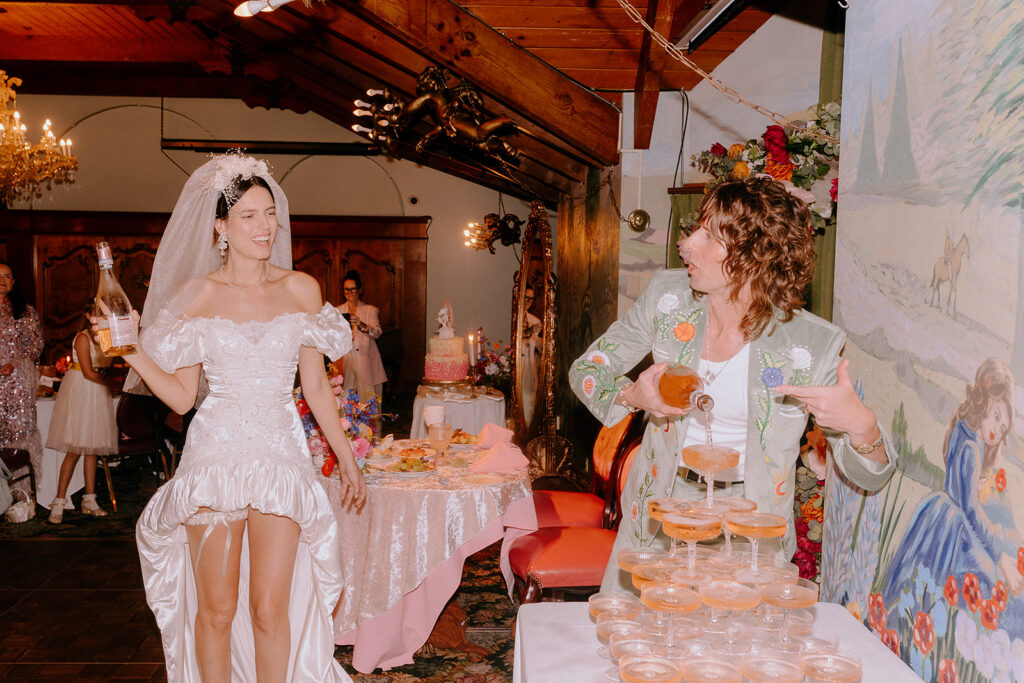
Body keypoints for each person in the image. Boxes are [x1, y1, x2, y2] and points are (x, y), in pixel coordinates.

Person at [569, 176, 898, 593]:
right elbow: (587, 369)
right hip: (659, 515)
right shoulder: (667, 299)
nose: (686, 244)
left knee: (729, 651)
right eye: (694, 230)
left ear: (753, 254)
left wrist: (862, 427)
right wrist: (631, 394)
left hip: (749, 526)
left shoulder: (809, 345)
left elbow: (871, 475)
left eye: (707, 235)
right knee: (645, 645)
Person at [119, 154, 365, 682]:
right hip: (214, 455)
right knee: (216, 610)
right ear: (221, 227)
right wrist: (131, 353)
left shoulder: (301, 289)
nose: (264, 226)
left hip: (278, 454)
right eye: (248, 216)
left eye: (269, 212)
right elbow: (183, 399)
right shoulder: (198, 296)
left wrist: (348, 460)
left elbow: (316, 385)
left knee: (269, 609)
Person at [881, 358, 1023, 631]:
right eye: (996, 417)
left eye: (1003, 428)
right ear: (984, 401)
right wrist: (999, 555)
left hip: (944, 513)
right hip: (955, 526)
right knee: (992, 577)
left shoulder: (965, 432)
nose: (996, 430)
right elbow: (970, 510)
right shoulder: (972, 447)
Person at [45, 314, 117, 523]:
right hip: (83, 389)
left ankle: (90, 499)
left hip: (97, 391)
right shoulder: (83, 337)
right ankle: (59, 500)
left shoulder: (104, 337)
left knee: (92, 447)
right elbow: (88, 372)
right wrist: (113, 383)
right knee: (75, 447)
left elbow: (105, 365)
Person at [0, 261, 44, 491]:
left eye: (7, 276)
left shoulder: (25, 312)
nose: (1, 281)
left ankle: (21, 494)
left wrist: (14, 363)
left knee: (18, 436)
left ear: (13, 282)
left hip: (17, 385)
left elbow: (35, 346)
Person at [338, 269, 387, 404]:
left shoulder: (370, 310)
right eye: (346, 290)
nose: (349, 293)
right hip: (345, 359)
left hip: (365, 359)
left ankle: (371, 425)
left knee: (369, 401)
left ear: (360, 290)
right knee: (345, 399)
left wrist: (361, 325)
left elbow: (377, 332)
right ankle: (345, 425)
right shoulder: (337, 311)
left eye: (353, 289)